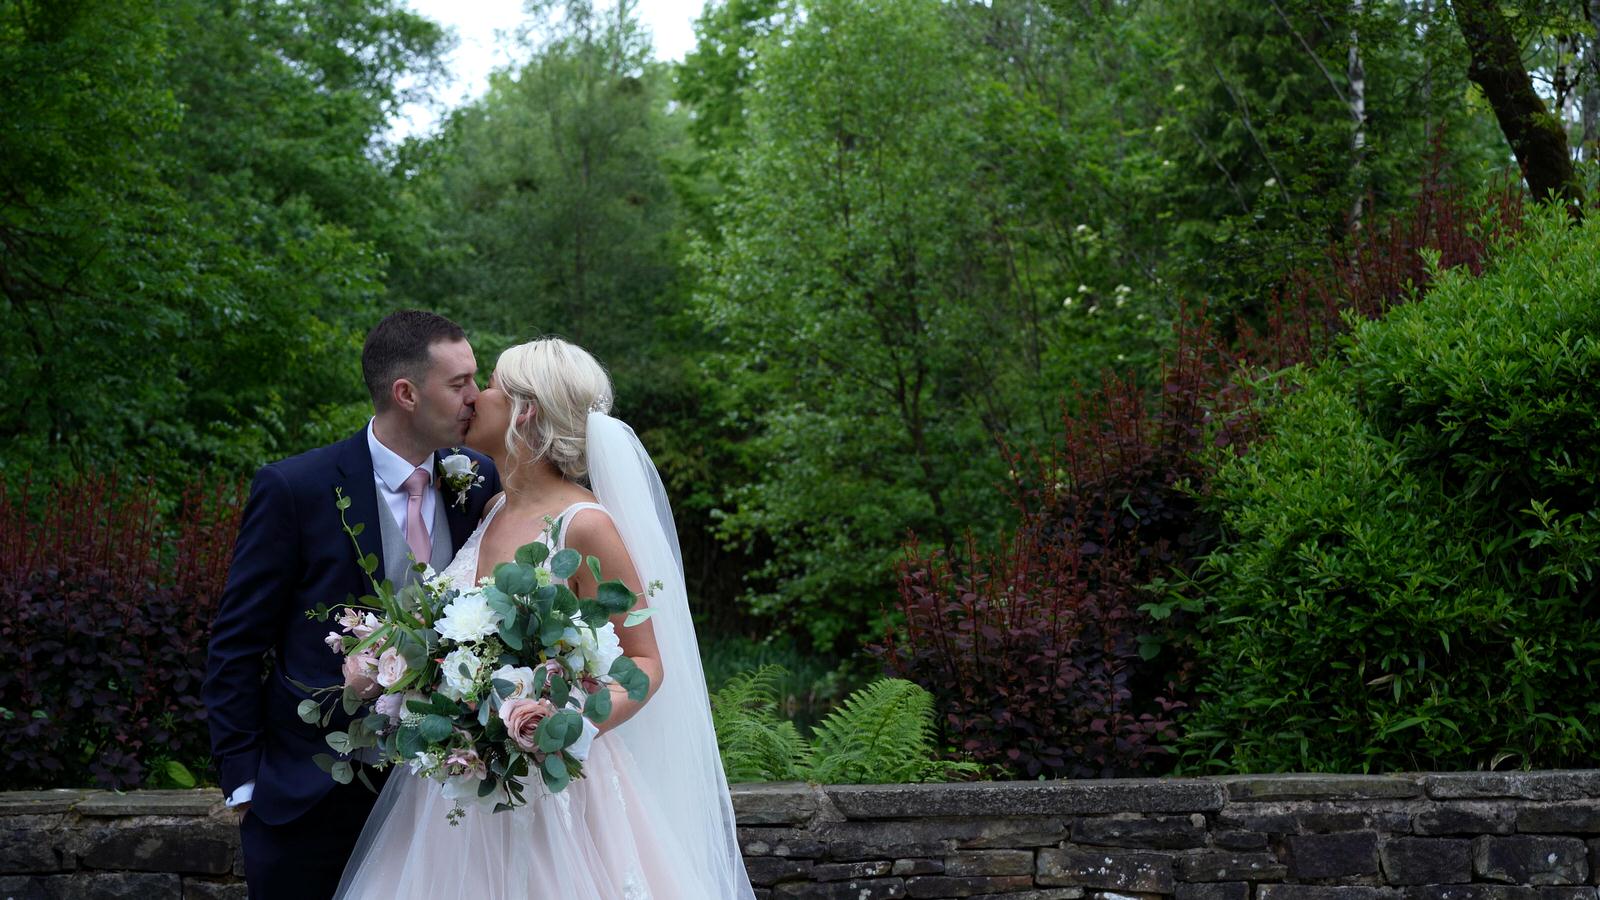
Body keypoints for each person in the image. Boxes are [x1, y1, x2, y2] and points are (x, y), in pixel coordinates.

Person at [334, 337, 755, 900]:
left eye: (490, 387)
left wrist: (567, 726)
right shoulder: (492, 508)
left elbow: (646, 660)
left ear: (524, 411)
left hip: (556, 793)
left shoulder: (584, 524)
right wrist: (396, 662)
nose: (475, 397)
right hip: (457, 790)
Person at [203, 310, 502, 900]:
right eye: (460, 382)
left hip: (437, 801)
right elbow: (236, 643)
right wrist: (244, 782)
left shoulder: (479, 481)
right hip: (309, 796)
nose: (478, 396)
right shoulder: (296, 488)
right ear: (406, 393)